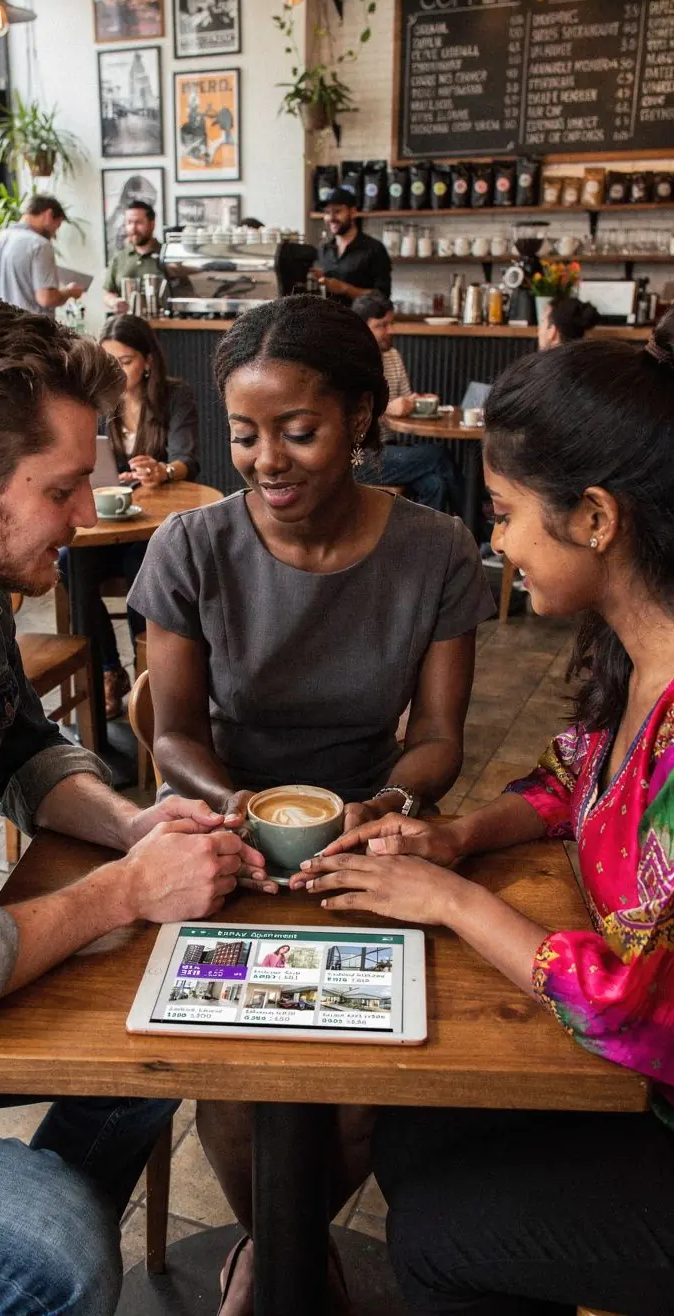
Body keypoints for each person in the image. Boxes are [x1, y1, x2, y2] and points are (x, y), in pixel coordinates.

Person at [0, 293, 256, 1315]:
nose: (88, 515)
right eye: (64, 487)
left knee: (156, 1040)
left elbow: (24, 746)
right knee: (65, 1254)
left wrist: (130, 824)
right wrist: (124, 889)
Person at [297, 309, 674, 1316]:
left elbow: (635, 1016)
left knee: (439, 1234)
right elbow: (567, 782)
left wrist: (452, 900)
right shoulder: (637, 659)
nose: (493, 540)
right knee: (417, 1125)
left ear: (595, 517)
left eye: (503, 512)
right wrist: (458, 836)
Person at [129, 293, 495, 1312]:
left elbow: (437, 741)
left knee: (360, 1108)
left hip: (369, 843)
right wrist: (233, 800)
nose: (267, 461)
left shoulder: (436, 551)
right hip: (225, 839)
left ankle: (293, 1247)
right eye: (245, 435)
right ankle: (276, 1251)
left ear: (363, 419)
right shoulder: (193, 548)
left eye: (300, 430)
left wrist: (379, 801)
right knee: (240, 1099)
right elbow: (170, 735)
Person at [58, 313, 199, 719]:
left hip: (152, 526)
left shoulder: (175, 395)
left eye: (125, 361)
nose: (117, 371)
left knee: (147, 565)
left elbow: (187, 458)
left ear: (148, 360)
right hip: (111, 524)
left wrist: (163, 471)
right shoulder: (102, 403)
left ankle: (150, 679)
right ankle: (107, 670)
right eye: (110, 362)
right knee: (72, 562)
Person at [352, 291, 464, 514]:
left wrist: (417, 402)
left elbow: (404, 400)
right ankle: (475, 527)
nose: (390, 331)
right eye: (381, 325)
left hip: (389, 449)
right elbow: (349, 415)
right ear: (362, 328)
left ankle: (431, 547)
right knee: (437, 455)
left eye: (391, 323)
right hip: (359, 457)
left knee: (436, 484)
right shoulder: (351, 362)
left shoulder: (393, 356)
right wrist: (387, 409)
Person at [0, 194, 83, 314]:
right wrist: (69, 291)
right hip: (30, 329)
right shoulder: (39, 245)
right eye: (57, 226)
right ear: (49, 214)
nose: (54, 235)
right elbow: (46, 298)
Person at [311, 187, 391, 305]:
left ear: (353, 212)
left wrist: (345, 289)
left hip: (360, 321)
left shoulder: (374, 249)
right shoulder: (323, 249)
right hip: (328, 320)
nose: (331, 218)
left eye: (337, 211)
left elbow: (382, 296)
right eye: (327, 212)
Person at [103, 199, 162, 312]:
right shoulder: (119, 258)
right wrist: (114, 302)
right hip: (126, 324)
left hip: (162, 325)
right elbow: (108, 293)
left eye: (138, 222)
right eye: (129, 223)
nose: (133, 228)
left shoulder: (166, 255)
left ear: (152, 224)